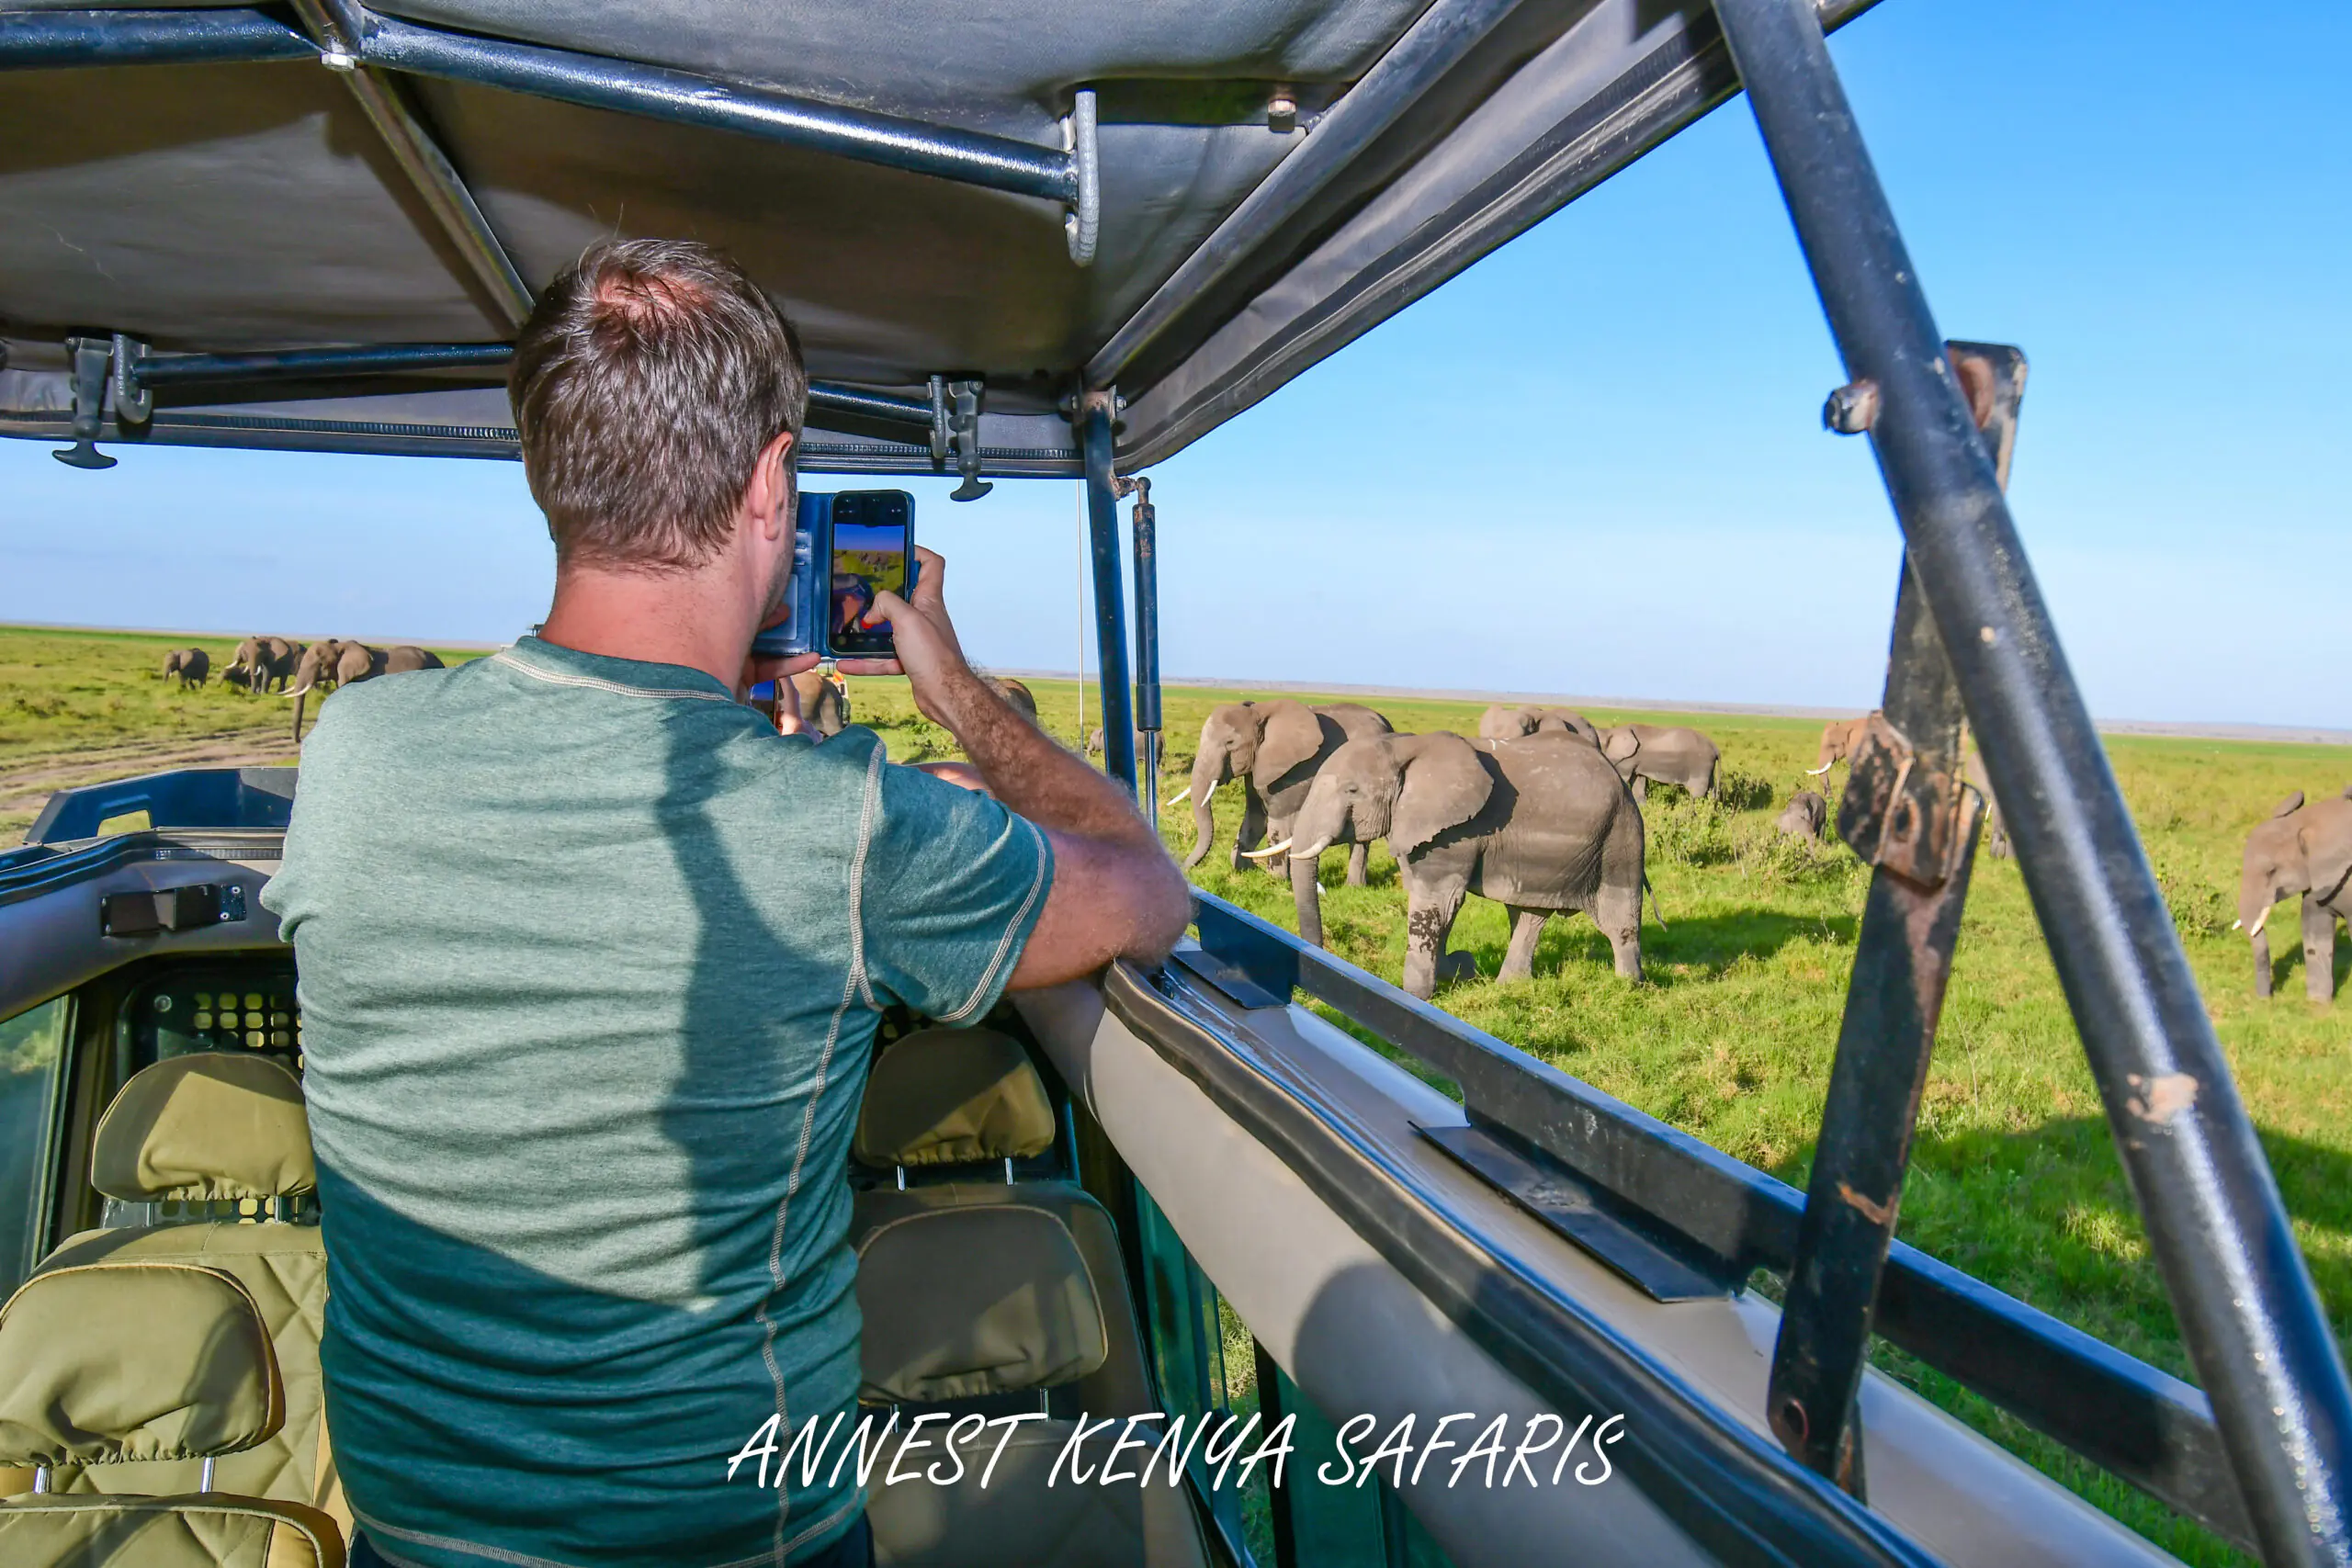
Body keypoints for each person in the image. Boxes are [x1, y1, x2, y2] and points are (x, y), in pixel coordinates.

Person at [262, 238, 1189, 1568]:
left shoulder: (356, 752)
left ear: (548, 474)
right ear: (770, 486)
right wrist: (955, 694)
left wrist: (705, 698)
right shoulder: (846, 826)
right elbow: (1144, 887)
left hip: (411, 1539)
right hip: (739, 1540)